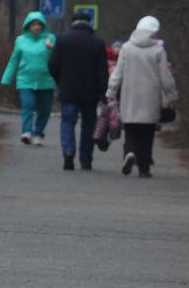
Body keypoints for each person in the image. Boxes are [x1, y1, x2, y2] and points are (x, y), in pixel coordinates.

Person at [107, 15, 177, 178]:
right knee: (147, 133)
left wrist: (111, 92)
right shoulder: (158, 50)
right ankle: (144, 168)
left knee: (130, 129)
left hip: (129, 95)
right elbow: (165, 76)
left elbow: (117, 73)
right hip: (150, 96)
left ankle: (130, 152)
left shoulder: (126, 48)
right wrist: (171, 95)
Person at [48, 9, 109, 171]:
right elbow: (102, 71)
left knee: (68, 121)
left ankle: (68, 152)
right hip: (91, 92)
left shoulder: (62, 40)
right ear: (89, 23)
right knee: (89, 125)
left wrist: (59, 81)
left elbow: (52, 65)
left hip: (68, 89)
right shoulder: (98, 42)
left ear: (72, 23)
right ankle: (86, 159)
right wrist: (103, 93)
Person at [0, 11, 57, 145]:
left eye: (39, 24)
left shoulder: (50, 38)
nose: (36, 27)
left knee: (45, 109)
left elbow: (59, 58)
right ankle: (26, 132)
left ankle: (38, 133)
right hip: (26, 79)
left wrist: (52, 48)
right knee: (28, 104)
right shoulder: (20, 40)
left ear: (43, 26)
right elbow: (14, 60)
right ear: (28, 26)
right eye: (33, 24)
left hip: (46, 80)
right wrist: (6, 78)